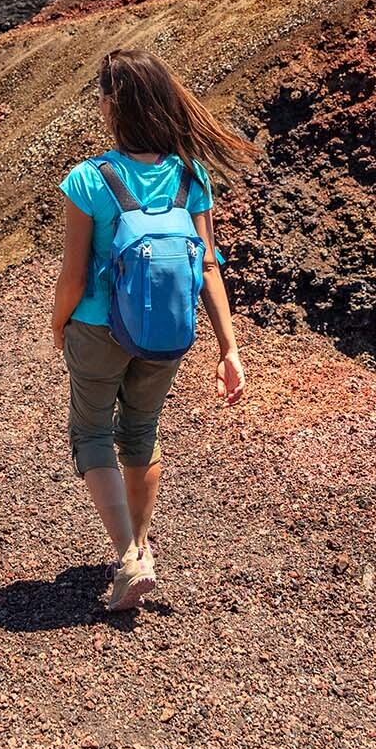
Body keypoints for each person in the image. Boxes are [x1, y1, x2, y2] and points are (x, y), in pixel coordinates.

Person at [51, 47, 255, 611]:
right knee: (141, 431)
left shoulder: (90, 179)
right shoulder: (192, 176)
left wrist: (59, 321)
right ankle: (139, 544)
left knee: (92, 434)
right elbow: (208, 265)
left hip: (98, 329)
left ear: (113, 105)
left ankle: (130, 557)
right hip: (166, 332)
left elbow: (73, 275)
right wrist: (229, 348)